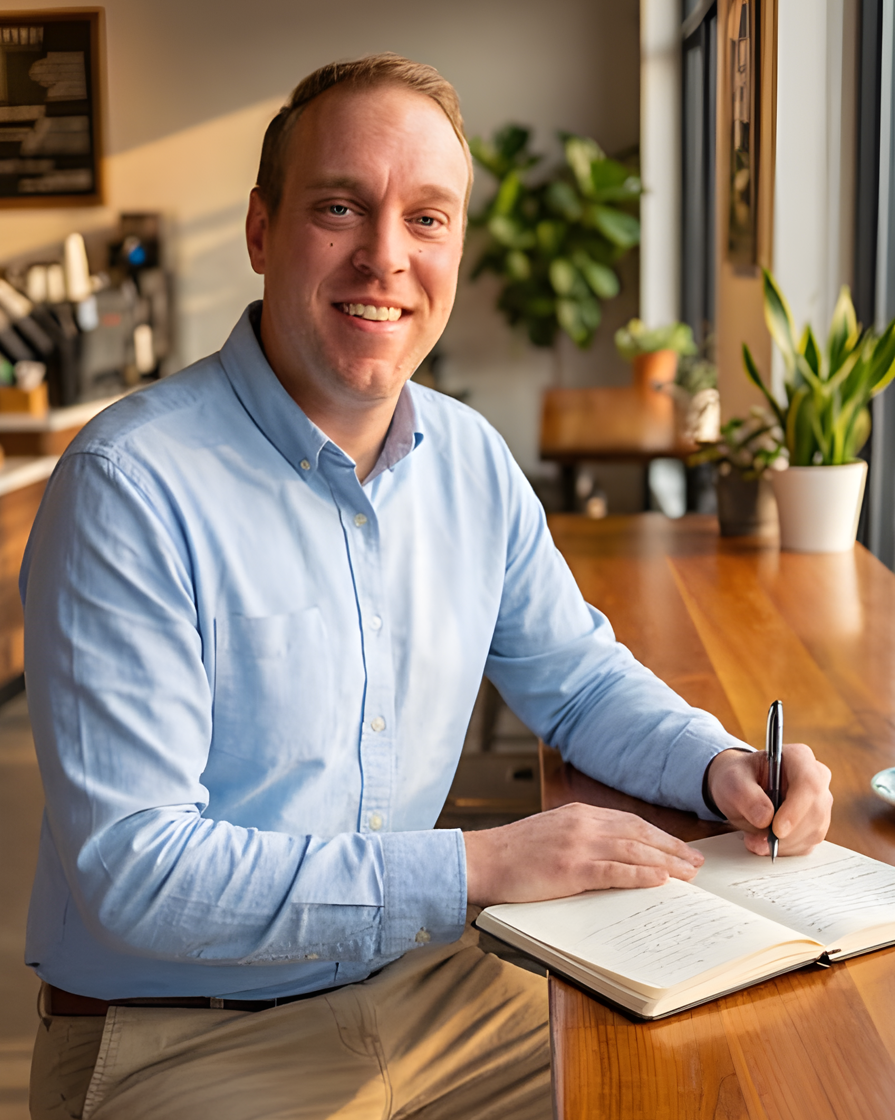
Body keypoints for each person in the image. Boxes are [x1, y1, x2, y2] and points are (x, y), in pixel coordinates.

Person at [22, 54, 832, 1120]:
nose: (385, 257)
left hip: (430, 987)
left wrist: (716, 761)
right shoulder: (127, 487)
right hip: (182, 1039)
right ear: (262, 232)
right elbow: (138, 872)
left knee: (723, 1084)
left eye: (428, 219)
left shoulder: (468, 459)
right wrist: (474, 868)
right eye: (340, 206)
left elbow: (577, 680)